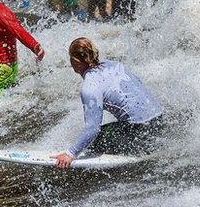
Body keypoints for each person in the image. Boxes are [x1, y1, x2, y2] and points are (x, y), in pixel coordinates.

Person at [51, 37, 162, 168]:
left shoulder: (90, 86)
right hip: (159, 121)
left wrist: (70, 154)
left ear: (76, 63)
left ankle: (128, 160)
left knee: (95, 139)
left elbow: (93, 129)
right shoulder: (115, 64)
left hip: (140, 133)